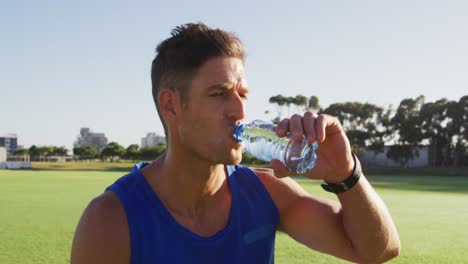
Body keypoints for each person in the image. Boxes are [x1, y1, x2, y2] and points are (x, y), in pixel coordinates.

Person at [71, 23, 400, 264]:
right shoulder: (111, 219)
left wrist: (345, 174)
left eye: (242, 94)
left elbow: (377, 251)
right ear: (171, 105)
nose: (240, 111)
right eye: (218, 94)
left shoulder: (265, 191)